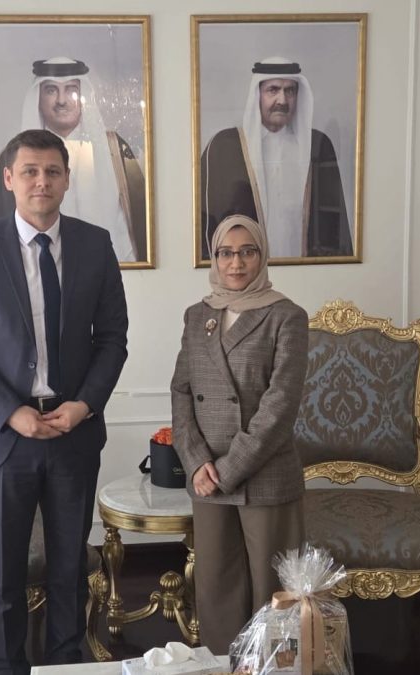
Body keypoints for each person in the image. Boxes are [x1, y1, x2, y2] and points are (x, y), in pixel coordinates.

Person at [0, 129, 129, 675]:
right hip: (4, 439)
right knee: (4, 576)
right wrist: (12, 412)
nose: (41, 181)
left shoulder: (95, 244)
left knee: (70, 569)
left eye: (52, 171)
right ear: (9, 179)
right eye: (29, 171)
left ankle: (65, 666)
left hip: (74, 431)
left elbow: (112, 339)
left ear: (67, 179)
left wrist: (85, 405)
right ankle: (7, 666)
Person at [169, 213, 309, 655]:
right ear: (214, 257)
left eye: (247, 251)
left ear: (262, 255)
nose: (236, 262)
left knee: (273, 592)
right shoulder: (197, 315)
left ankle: (274, 666)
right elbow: (182, 391)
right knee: (217, 588)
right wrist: (196, 461)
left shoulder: (286, 316)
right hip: (207, 477)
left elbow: (280, 405)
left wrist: (228, 469)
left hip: (263, 475)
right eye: (226, 252)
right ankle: (223, 664)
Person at [0, 57, 147, 263]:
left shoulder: (115, 151)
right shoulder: (11, 157)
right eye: (51, 91)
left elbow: (135, 225)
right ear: (38, 97)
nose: (61, 101)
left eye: (71, 90)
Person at [200, 57, 353, 260]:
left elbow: (333, 223)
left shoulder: (317, 145)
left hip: (306, 269)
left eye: (290, 91)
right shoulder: (225, 146)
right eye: (273, 90)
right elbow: (208, 223)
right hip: (245, 272)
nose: (282, 100)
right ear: (258, 95)